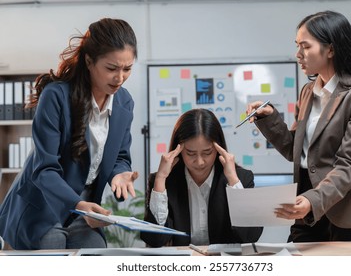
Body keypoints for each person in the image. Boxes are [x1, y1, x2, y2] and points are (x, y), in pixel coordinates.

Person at [247, 10, 351, 242]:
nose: (298, 54)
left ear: (331, 49)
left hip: (349, 209)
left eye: (305, 46)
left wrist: (313, 199)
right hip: (307, 204)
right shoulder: (308, 92)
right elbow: (296, 151)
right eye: (297, 46)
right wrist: (270, 118)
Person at [0, 18, 139, 250]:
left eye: (128, 68)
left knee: (94, 252)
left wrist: (119, 174)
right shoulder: (56, 96)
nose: (120, 78)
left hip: (84, 208)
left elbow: (120, 157)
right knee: (53, 250)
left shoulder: (124, 102)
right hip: (43, 203)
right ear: (89, 61)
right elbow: (44, 169)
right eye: (111, 68)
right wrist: (78, 204)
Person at [141, 108, 263, 247]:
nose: (200, 162)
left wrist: (233, 180)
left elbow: (250, 236)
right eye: (191, 153)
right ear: (179, 151)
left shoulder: (241, 178)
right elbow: (154, 240)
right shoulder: (163, 182)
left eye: (207, 152)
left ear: (218, 149)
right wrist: (161, 178)